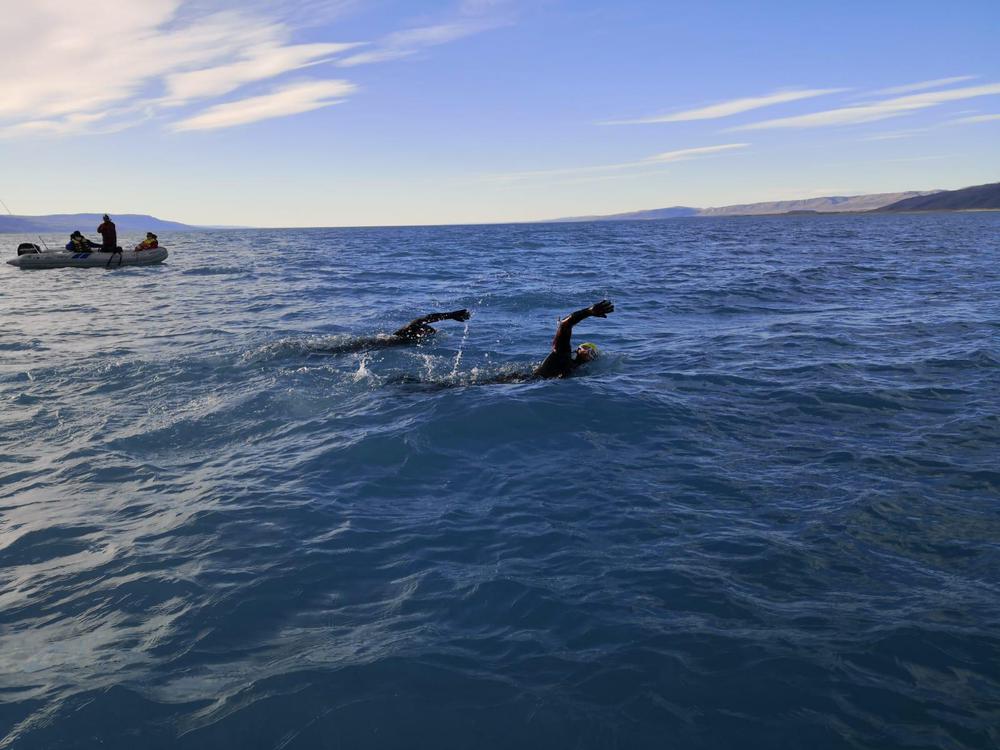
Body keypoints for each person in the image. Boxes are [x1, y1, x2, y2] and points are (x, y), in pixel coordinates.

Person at [310, 309, 471, 354]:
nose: (427, 333)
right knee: (326, 352)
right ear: (420, 331)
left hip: (368, 346)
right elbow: (422, 319)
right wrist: (450, 315)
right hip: (363, 346)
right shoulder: (403, 334)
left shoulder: (405, 339)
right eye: (426, 331)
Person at [533, 299, 614, 379]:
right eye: (585, 347)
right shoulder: (563, 353)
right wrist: (588, 312)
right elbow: (565, 325)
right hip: (528, 381)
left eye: (592, 353)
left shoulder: (577, 368)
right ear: (578, 350)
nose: (587, 352)